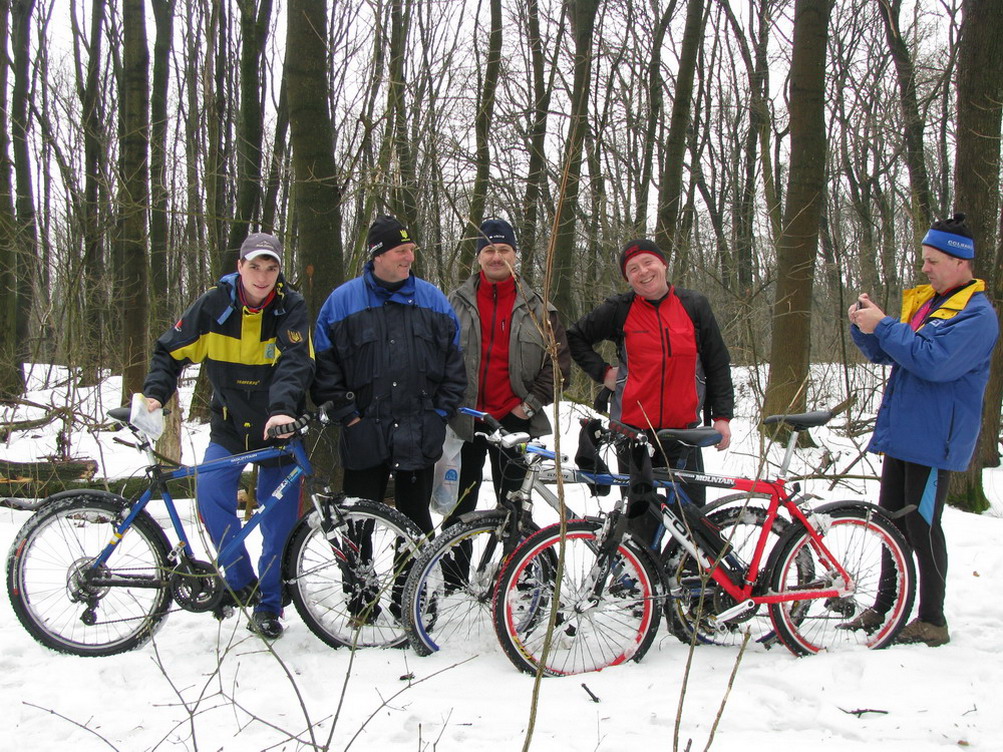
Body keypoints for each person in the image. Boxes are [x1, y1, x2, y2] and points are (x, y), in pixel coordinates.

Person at [142, 233, 315, 640]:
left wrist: (282, 409)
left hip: (278, 429)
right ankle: (240, 582)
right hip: (230, 427)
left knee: (279, 524)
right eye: (254, 266)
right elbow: (169, 351)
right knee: (210, 493)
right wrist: (154, 393)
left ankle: (269, 606)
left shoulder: (290, 306)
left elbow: (296, 362)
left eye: (271, 268)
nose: (262, 276)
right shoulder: (212, 305)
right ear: (239, 267)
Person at [845, 213, 998, 647]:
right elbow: (897, 353)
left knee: (922, 526)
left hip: (934, 440)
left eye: (933, 260)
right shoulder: (932, 303)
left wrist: (886, 325)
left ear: (960, 262)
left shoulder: (977, 315)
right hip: (904, 432)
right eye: (924, 259)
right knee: (889, 524)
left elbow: (934, 362)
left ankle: (932, 619)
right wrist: (865, 328)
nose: (925, 267)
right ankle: (885, 608)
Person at [566, 238, 734, 548]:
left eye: (648, 263)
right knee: (639, 523)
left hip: (683, 433)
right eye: (633, 269)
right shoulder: (619, 309)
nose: (643, 272)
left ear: (663, 264)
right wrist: (603, 373)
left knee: (692, 521)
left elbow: (717, 362)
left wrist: (722, 417)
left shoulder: (694, 305)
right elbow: (575, 337)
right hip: (633, 433)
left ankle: (689, 575)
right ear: (627, 278)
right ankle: (644, 576)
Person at [312, 215, 466, 540]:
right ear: (378, 255)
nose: (410, 257)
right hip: (364, 436)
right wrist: (349, 417)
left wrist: (439, 414)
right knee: (357, 530)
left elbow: (454, 367)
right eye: (401, 251)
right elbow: (325, 370)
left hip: (419, 435)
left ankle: (411, 577)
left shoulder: (434, 301)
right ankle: (360, 577)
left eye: (411, 250)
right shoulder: (341, 303)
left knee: (415, 533)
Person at [447, 217, 572, 520]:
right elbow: (437, 358)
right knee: (457, 510)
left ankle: (512, 553)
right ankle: (456, 554)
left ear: (515, 255)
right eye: (488, 250)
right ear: (478, 256)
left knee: (513, 512)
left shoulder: (538, 309)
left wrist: (527, 408)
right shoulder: (453, 304)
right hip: (465, 421)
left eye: (503, 249)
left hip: (513, 422)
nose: (496, 257)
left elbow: (560, 368)